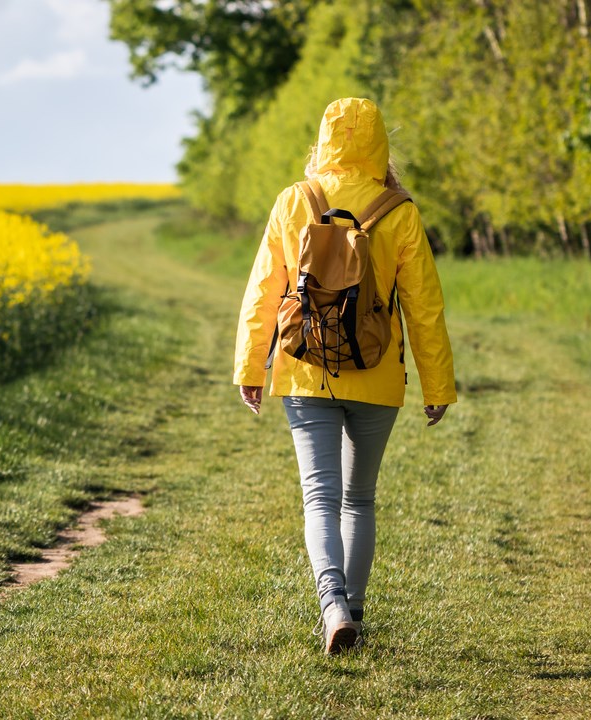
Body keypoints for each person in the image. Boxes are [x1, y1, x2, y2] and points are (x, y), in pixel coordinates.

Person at [233, 97, 457, 654]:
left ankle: (331, 607)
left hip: (306, 370)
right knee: (359, 500)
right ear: (381, 144)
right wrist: (438, 386)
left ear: (323, 141)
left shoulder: (295, 202)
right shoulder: (398, 210)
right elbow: (424, 307)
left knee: (319, 497)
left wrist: (250, 366)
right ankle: (352, 612)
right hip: (378, 375)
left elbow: (265, 290)